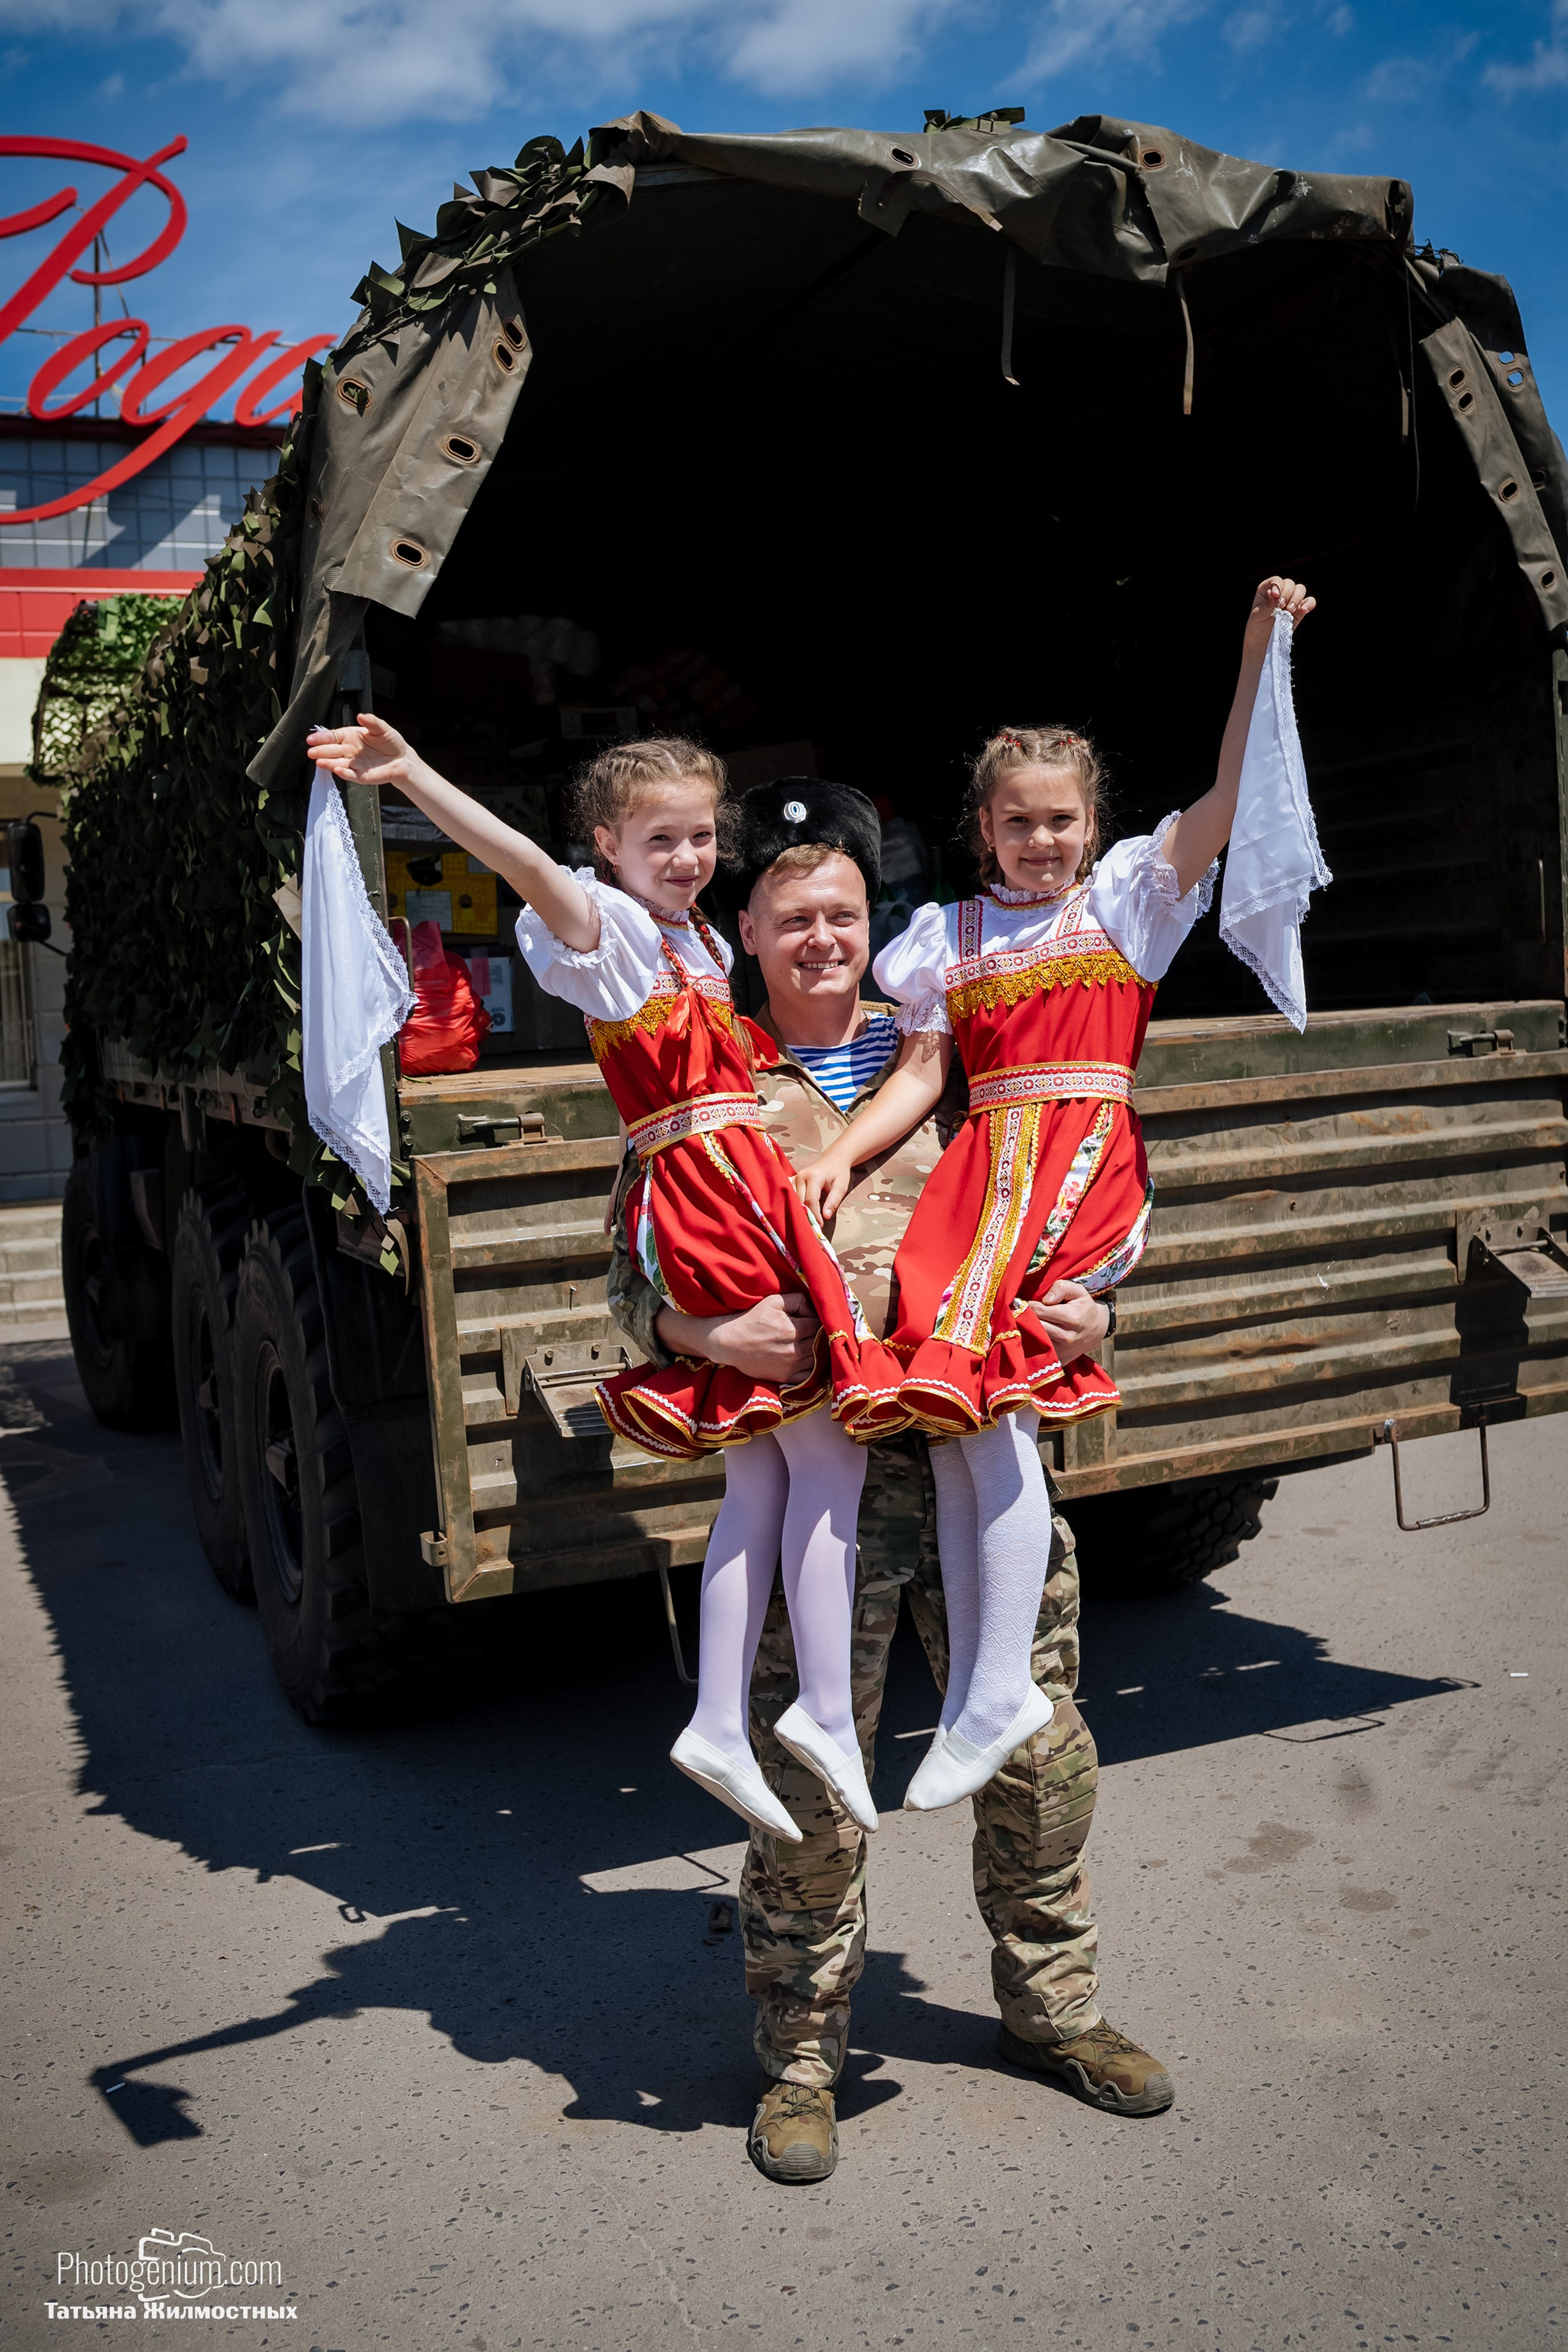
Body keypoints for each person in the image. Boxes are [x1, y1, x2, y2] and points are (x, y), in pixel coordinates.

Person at [608, 775, 1174, 2187]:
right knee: (807, 1785)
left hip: (975, 1468)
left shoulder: (957, 1042)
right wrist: (698, 1336)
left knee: (1037, 1760)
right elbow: (631, 1270)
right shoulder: (708, 1061)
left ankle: (1054, 2009)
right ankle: (802, 2057)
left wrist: (1096, 1309)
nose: (821, 939)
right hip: (821, 1500)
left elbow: (1080, 1179)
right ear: (746, 929)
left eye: (843, 914)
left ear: (875, 923)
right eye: (792, 915)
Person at [304, 722, 905, 1849]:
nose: (685, 857)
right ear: (607, 846)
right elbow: (530, 871)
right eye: (657, 839)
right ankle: (824, 1711)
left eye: (698, 836)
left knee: (761, 1477)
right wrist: (417, 775)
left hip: (726, 1178)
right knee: (831, 1453)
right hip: (710, 1187)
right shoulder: (616, 930)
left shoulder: (691, 940)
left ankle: (722, 1719)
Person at [799, 576, 1319, 1818]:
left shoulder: (1129, 900)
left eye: (1062, 820)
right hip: (980, 1177)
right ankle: (984, 1696)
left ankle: (995, 1691)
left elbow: (1227, 799)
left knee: (1004, 1422)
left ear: (1093, 824)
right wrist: (840, 1155)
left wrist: (1259, 647)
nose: (1042, 841)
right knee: (963, 1420)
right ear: (982, 827)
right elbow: (921, 1075)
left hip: (1077, 1163)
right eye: (1019, 822)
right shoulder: (948, 935)